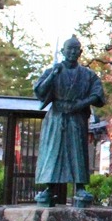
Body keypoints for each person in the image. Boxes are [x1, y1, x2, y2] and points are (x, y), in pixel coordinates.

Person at [33, 36, 105, 207]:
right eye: (69, 49)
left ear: (80, 52)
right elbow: (40, 92)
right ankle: (49, 188)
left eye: (76, 49)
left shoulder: (88, 75)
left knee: (77, 152)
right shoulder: (52, 71)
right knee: (53, 152)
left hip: (77, 117)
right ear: (63, 51)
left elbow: (98, 95)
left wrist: (82, 103)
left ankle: (79, 187)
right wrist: (52, 75)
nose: (72, 52)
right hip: (56, 117)